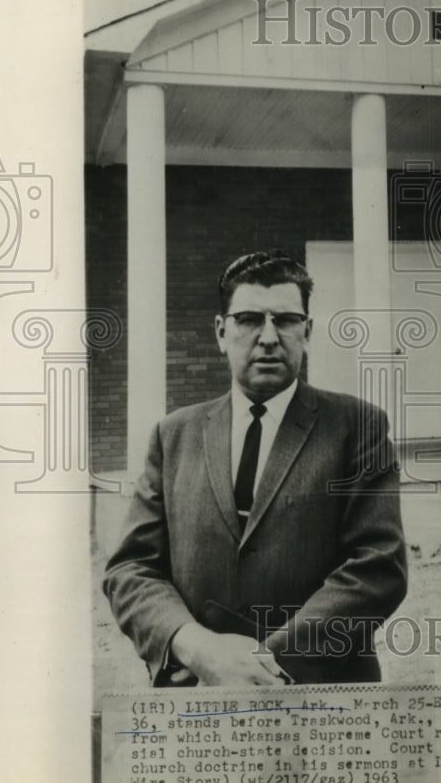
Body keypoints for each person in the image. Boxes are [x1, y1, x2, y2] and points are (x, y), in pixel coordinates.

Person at [103, 250, 407, 687]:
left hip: (321, 697)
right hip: (196, 694)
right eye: (248, 319)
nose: (268, 337)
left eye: (285, 320)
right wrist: (196, 648)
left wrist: (262, 665)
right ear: (221, 332)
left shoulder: (357, 427)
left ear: (308, 331)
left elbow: (378, 568)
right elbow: (131, 569)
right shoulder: (173, 436)